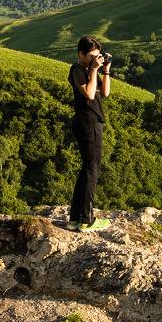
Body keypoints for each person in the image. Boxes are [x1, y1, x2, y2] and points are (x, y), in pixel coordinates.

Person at [65, 35, 111, 231]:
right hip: (87, 123)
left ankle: (75, 219)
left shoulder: (89, 70)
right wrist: (93, 69)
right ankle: (86, 220)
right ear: (80, 54)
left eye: (97, 56)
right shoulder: (77, 70)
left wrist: (105, 70)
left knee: (87, 170)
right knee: (93, 170)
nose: (95, 59)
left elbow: (105, 93)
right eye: (91, 56)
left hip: (92, 123)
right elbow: (90, 94)